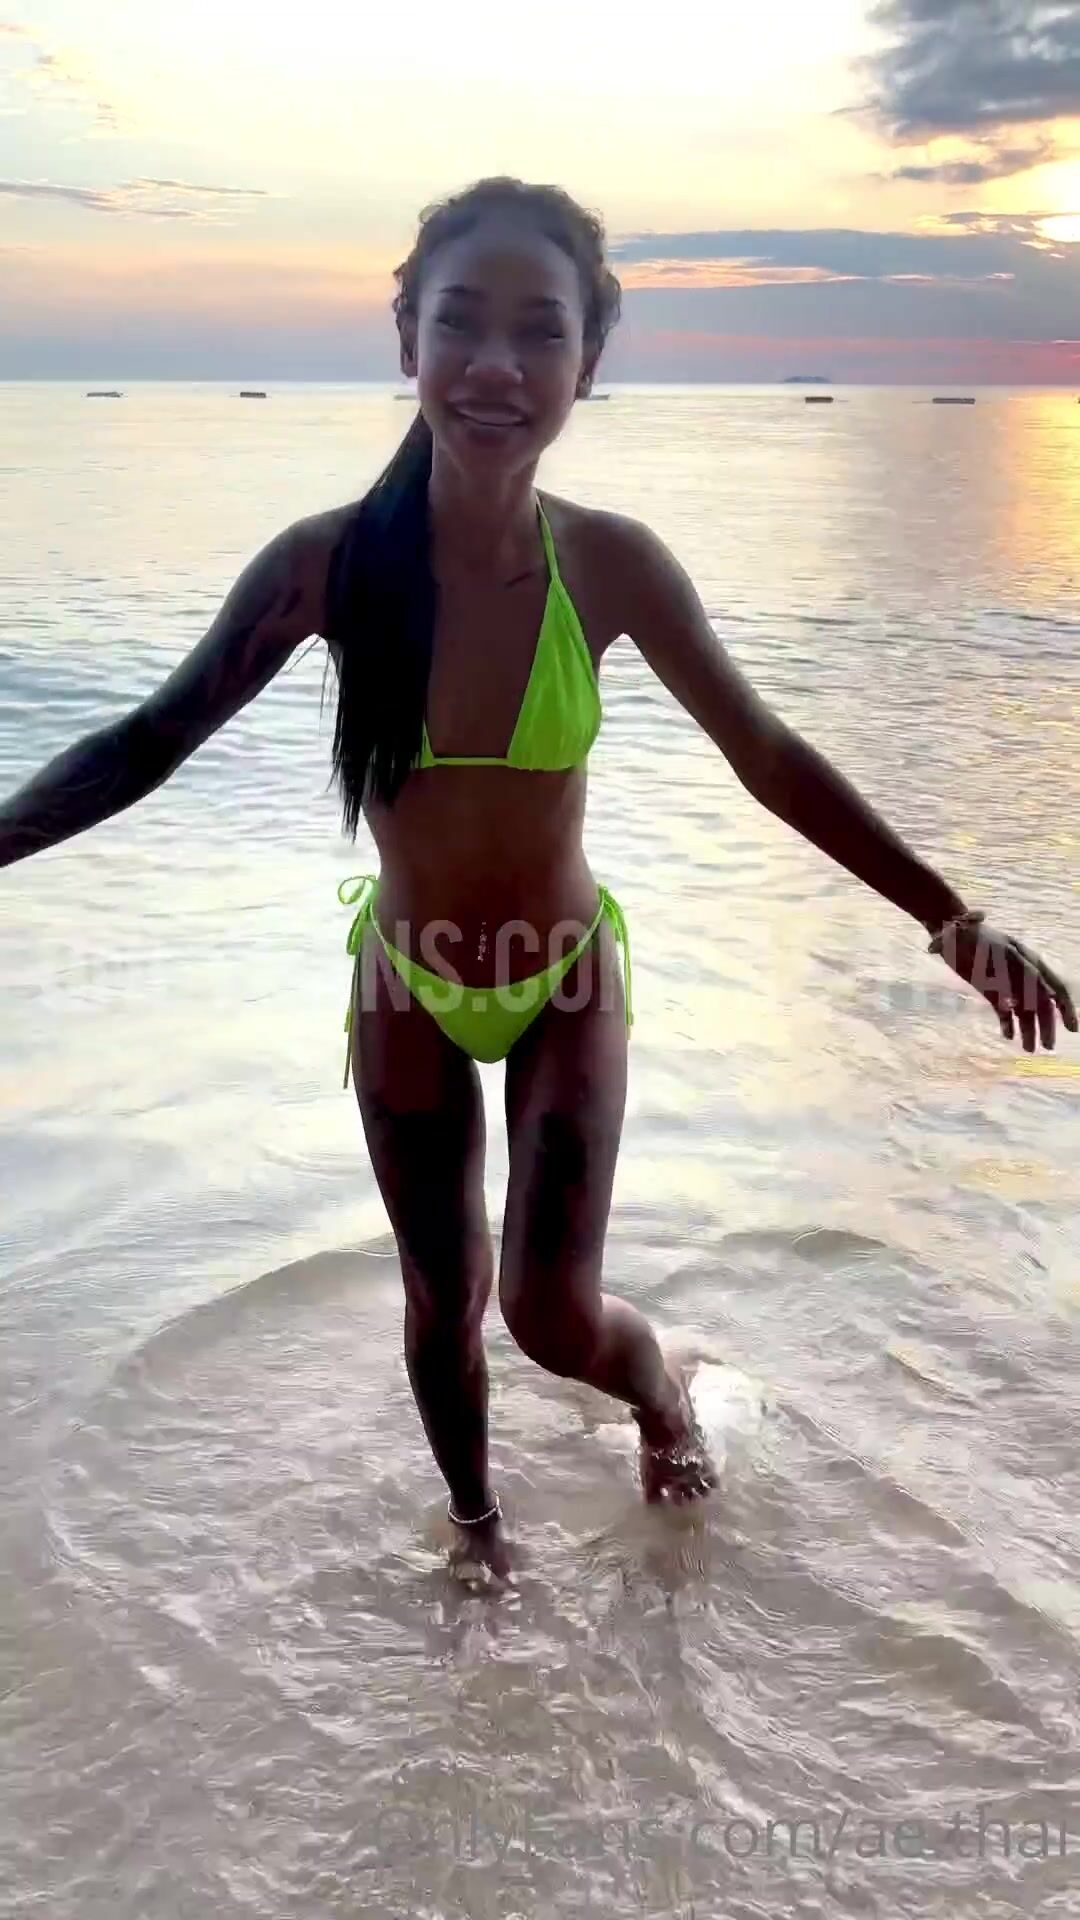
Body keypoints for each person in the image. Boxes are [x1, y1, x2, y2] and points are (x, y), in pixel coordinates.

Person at [2, 178, 1074, 1584]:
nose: (496, 365)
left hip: (567, 980)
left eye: (539, 331)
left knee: (549, 1316)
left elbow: (766, 751)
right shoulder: (329, 566)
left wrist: (954, 920)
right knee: (439, 1300)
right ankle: (476, 1535)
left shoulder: (611, 564)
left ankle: (664, 1395)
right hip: (408, 985)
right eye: (460, 323)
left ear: (589, 360)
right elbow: (152, 735)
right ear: (408, 339)